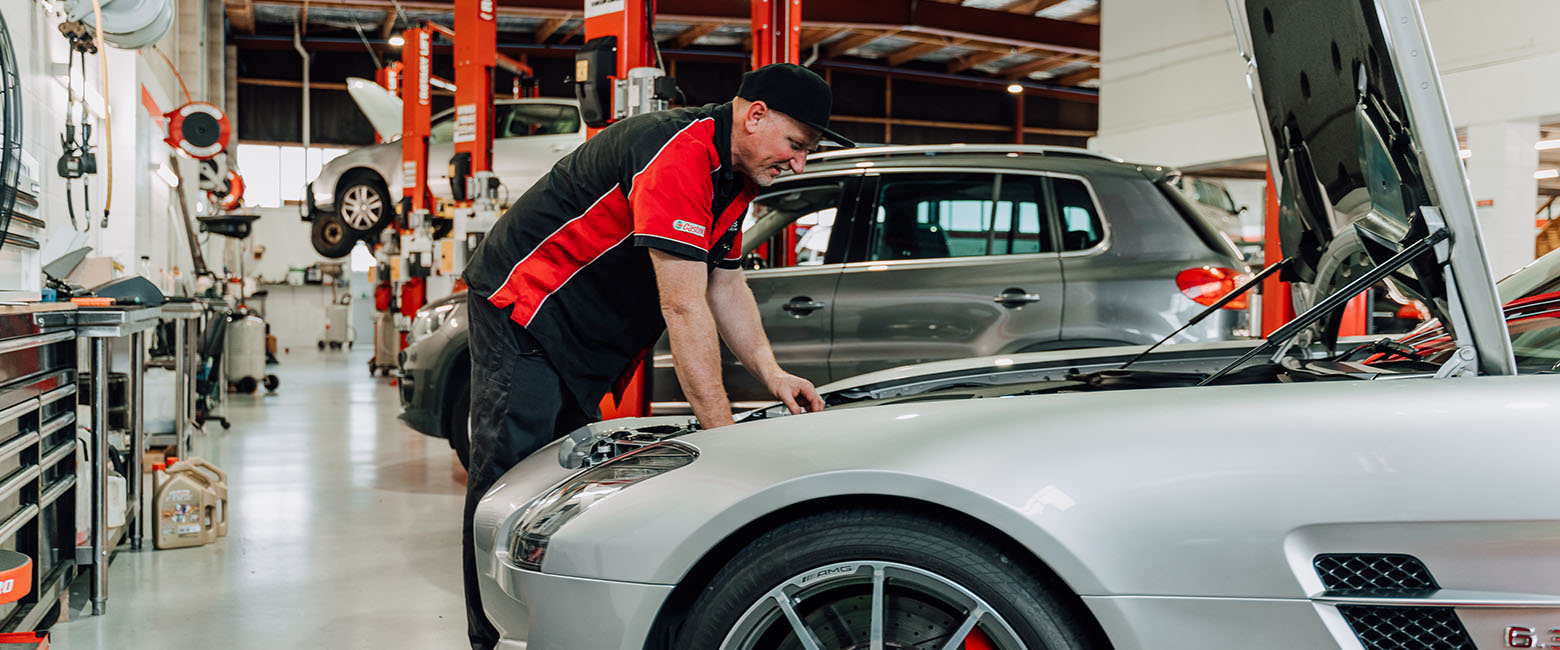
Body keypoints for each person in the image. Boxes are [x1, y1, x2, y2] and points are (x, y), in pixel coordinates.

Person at [458, 62, 854, 650]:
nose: (799, 163)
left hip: (582, 331)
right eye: (796, 146)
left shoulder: (736, 177)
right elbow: (685, 307)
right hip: (526, 306)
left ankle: (543, 623)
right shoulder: (680, 152)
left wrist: (771, 373)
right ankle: (487, 636)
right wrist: (723, 438)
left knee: (557, 483)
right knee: (508, 478)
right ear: (755, 116)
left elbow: (725, 283)